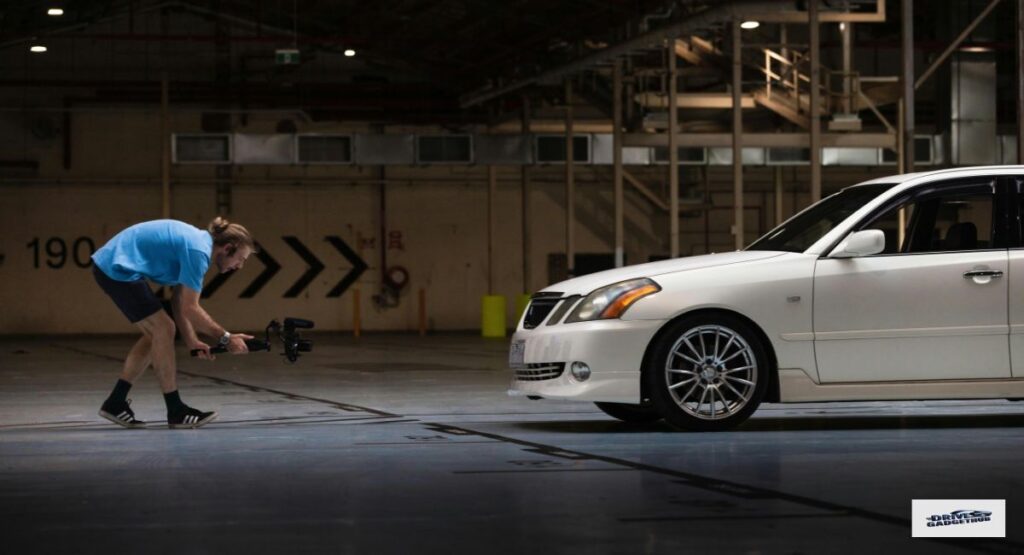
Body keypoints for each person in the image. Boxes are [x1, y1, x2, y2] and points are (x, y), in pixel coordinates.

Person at [91, 217, 256, 429]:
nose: (240, 266)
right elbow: (191, 308)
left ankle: (116, 402)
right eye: (241, 259)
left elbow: (179, 300)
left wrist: (191, 340)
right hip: (116, 268)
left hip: (116, 265)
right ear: (227, 248)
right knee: (162, 328)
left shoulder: (197, 245)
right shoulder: (198, 252)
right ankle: (175, 410)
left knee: (158, 332)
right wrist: (226, 338)